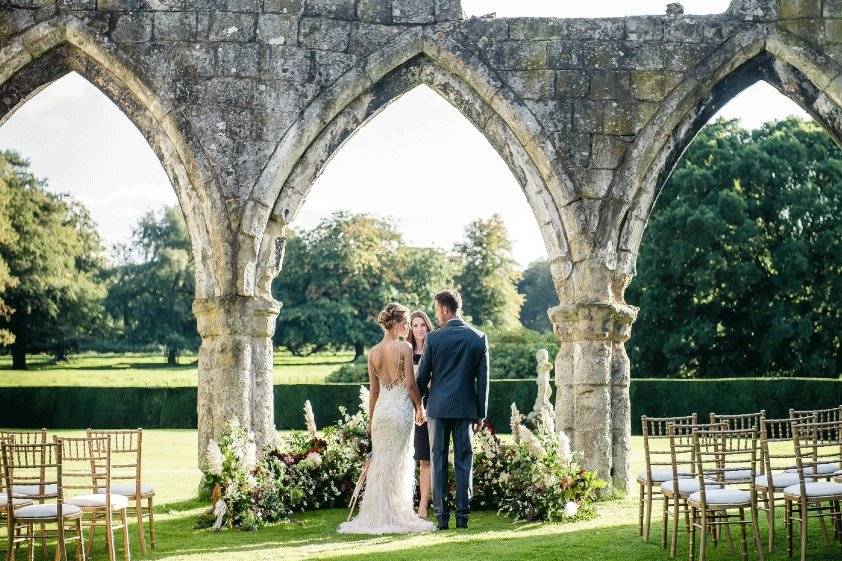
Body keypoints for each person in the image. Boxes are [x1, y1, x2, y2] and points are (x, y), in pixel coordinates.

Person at [338, 303, 435, 535]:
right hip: (401, 411)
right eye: (405, 322)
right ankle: (396, 514)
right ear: (395, 323)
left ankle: (376, 515)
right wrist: (419, 406)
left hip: (381, 413)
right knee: (399, 462)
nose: (407, 326)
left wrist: (371, 421)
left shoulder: (373, 352)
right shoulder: (405, 348)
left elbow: (374, 392)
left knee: (381, 462)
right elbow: (411, 385)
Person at [416, 290, 490, 530]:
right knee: (463, 461)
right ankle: (462, 517)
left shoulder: (433, 339)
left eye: (437, 310)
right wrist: (481, 413)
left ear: (445, 309)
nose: (436, 315)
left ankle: (441, 518)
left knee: (437, 460)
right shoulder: (478, 337)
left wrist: (415, 402)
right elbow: (483, 380)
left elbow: (422, 376)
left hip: (437, 409)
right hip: (466, 409)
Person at [408, 310, 434, 518]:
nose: (419, 329)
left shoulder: (434, 348)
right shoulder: (406, 351)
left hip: (430, 405)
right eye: (415, 325)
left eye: (422, 325)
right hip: (408, 406)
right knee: (408, 457)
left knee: (425, 457)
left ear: (428, 326)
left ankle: (423, 505)